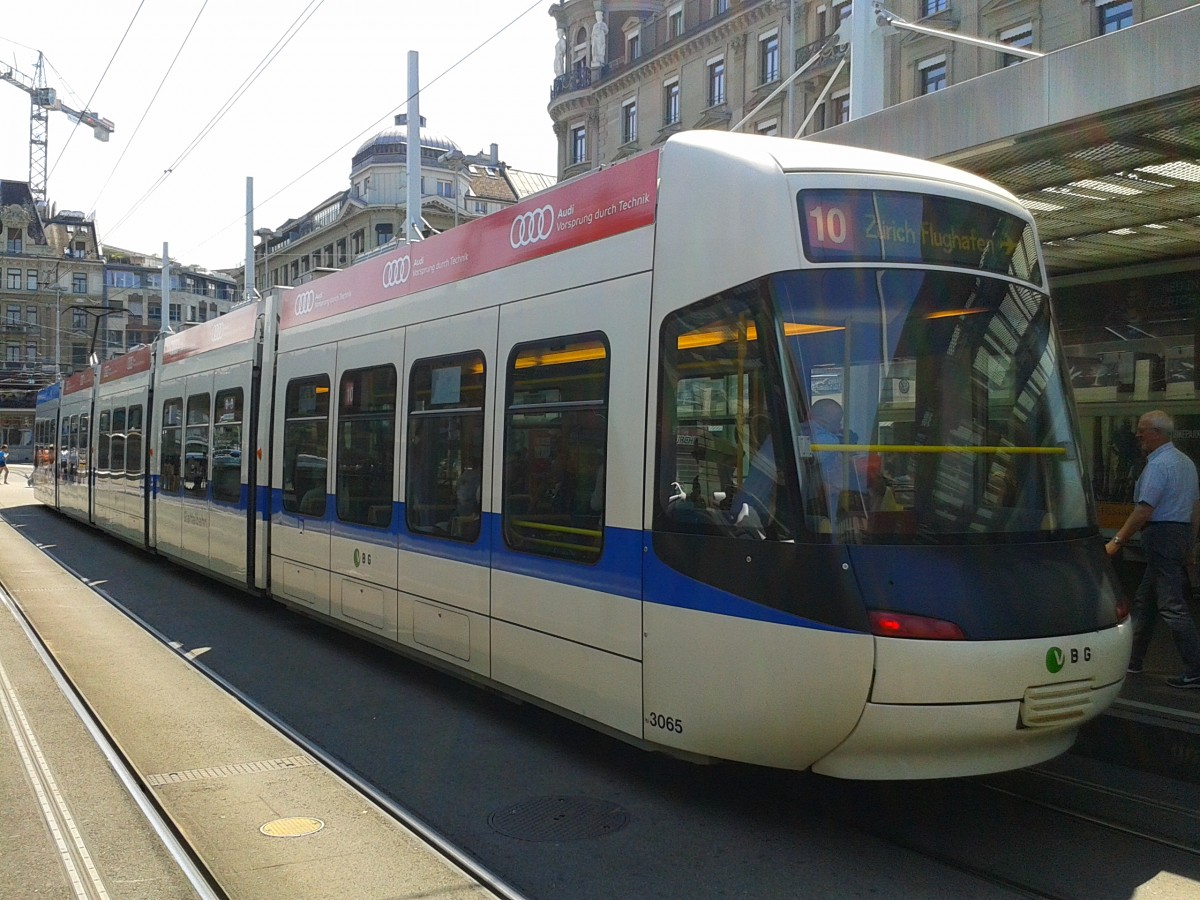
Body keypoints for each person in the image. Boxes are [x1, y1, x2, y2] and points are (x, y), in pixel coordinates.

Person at [1106, 410, 1200, 689]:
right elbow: (1196, 507)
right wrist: (1191, 544)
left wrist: (1117, 540)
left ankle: (1195, 668)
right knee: (1145, 600)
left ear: (1157, 433)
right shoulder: (1186, 463)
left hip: (1161, 534)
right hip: (1179, 533)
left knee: (1171, 604)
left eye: (1142, 430)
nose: (1137, 435)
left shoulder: (1159, 466)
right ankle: (1132, 660)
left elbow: (1144, 510)